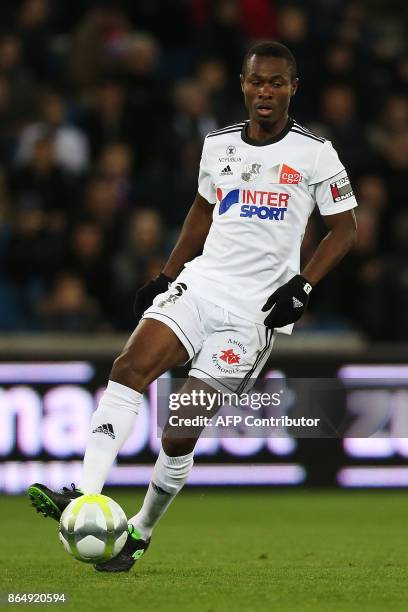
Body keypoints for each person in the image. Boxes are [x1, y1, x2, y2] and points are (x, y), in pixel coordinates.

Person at [27, 41, 357, 572]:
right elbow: (201, 214)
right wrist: (165, 274)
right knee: (128, 367)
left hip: (255, 314)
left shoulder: (315, 153)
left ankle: (141, 530)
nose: (265, 91)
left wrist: (303, 287)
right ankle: (83, 496)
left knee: (178, 428)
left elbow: (346, 229)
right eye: (256, 81)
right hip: (201, 287)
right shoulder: (217, 145)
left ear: (294, 87)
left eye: (277, 82)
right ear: (242, 85)